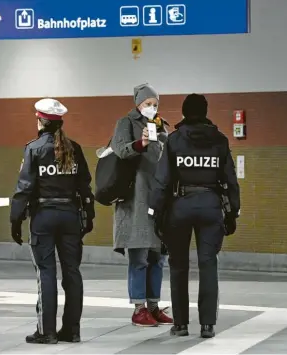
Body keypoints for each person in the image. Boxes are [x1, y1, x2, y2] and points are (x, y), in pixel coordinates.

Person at [148, 94, 240, 338]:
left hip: (180, 206)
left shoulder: (175, 140)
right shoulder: (219, 140)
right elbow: (230, 179)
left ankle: (180, 324)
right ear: (206, 110)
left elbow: (162, 180)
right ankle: (207, 324)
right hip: (211, 205)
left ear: (185, 112)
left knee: (178, 265)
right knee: (208, 264)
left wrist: (155, 212)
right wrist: (233, 213)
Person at [10, 98, 95, 344]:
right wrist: (89, 215)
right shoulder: (75, 148)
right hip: (70, 216)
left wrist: (15, 220)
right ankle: (72, 330)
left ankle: (46, 331)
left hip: (44, 217)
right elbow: (85, 185)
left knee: (46, 272)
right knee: (72, 272)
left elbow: (24, 188)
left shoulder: (34, 148)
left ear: (40, 121)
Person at [110, 83, 173, 327]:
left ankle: (154, 306)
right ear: (138, 104)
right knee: (139, 255)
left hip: (157, 198)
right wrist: (141, 144)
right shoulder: (125, 123)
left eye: (155, 104)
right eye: (148, 104)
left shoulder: (160, 125)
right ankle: (139, 309)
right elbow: (120, 150)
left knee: (158, 255)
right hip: (135, 199)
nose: (152, 107)